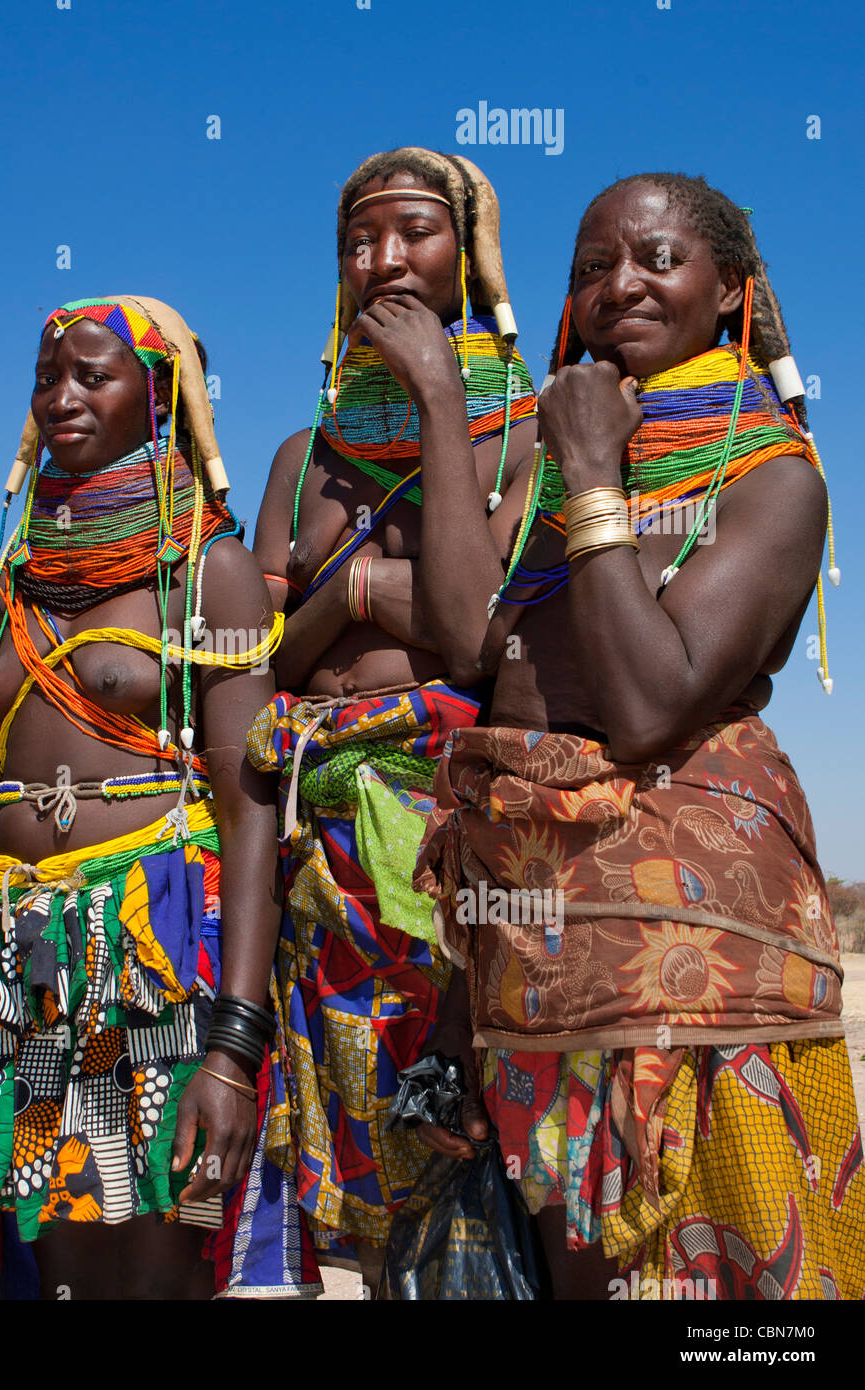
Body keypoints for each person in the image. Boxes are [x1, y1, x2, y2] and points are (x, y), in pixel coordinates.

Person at [415, 173, 864, 1299]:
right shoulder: (551, 451)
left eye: (657, 260)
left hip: (689, 916)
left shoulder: (771, 476)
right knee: (575, 1256)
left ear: (730, 294)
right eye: (589, 268)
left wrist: (592, 474)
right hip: (531, 916)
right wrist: (440, 401)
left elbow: (652, 703)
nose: (618, 285)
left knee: (694, 1262)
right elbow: (467, 641)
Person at [0, 296, 287, 1299]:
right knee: (55, 1243)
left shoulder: (214, 570)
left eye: (91, 374)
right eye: (47, 377)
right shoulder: (9, 582)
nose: (61, 395)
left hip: (155, 938)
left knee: (162, 1241)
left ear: (157, 394)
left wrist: (235, 1044)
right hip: (16, 946)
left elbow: (252, 811)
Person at [248, 148, 537, 1286]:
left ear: (471, 251)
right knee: (352, 1148)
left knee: (466, 1139)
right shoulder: (301, 456)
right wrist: (363, 594)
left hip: (454, 843)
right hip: (316, 848)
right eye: (357, 243)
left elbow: (480, 637)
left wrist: (435, 393)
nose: (380, 261)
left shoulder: (526, 432)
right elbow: (255, 659)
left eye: (411, 232)